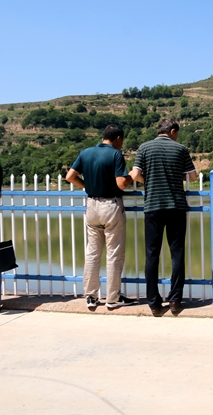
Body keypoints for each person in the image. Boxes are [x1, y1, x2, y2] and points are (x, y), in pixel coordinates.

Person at [129, 119, 197, 317]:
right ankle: (175, 300)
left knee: (152, 255)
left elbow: (135, 174)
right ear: (173, 131)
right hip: (176, 207)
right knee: (177, 254)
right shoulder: (181, 149)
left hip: (153, 207)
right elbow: (192, 177)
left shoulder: (144, 148)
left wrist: (148, 180)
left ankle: (154, 303)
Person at [65, 124, 137, 310]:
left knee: (92, 252)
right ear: (118, 138)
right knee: (114, 252)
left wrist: (87, 185)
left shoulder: (86, 152)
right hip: (110, 206)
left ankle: (91, 296)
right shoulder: (115, 154)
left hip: (92, 206)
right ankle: (113, 298)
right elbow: (121, 183)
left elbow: (70, 176)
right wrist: (131, 176)